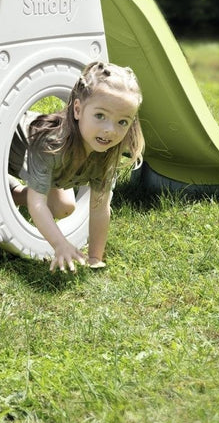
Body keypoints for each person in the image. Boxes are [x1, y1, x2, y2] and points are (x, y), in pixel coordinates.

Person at [9, 61, 144, 272]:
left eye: (122, 122)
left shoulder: (106, 153)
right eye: (100, 116)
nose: (110, 130)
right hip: (9, 149)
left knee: (64, 207)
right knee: (42, 199)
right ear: (78, 110)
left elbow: (100, 207)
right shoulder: (52, 144)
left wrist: (95, 258)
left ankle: (13, 192)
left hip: (55, 169)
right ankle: (2, 185)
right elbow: (37, 204)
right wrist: (60, 245)